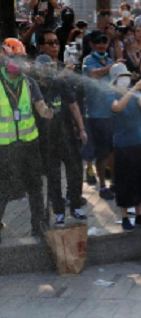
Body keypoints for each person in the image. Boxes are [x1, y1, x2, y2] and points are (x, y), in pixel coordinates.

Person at [0, 38, 52, 243]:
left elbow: (40, 107)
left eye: (21, 58)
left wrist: (48, 112)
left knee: (35, 186)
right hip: (4, 147)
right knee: (3, 189)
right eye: (15, 58)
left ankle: (38, 226)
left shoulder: (30, 83)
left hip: (29, 144)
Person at [32, 53, 88, 226]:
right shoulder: (33, 87)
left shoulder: (60, 83)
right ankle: (58, 212)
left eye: (50, 67)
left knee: (75, 170)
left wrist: (81, 129)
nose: (47, 70)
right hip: (46, 140)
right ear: (37, 70)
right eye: (44, 68)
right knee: (53, 176)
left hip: (67, 135)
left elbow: (73, 106)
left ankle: (76, 206)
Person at [109, 64, 141, 232]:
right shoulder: (111, 95)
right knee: (123, 183)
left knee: (140, 180)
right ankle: (125, 217)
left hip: (138, 143)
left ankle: (139, 215)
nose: (125, 79)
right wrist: (134, 89)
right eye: (122, 76)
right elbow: (117, 107)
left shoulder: (136, 95)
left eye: (126, 76)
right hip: (122, 146)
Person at [83, 30, 118, 201]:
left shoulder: (110, 61)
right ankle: (102, 186)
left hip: (113, 113)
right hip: (97, 115)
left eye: (104, 42)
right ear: (92, 45)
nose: (102, 45)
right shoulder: (88, 61)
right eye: (98, 42)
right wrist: (112, 67)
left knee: (113, 151)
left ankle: (114, 183)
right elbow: (94, 74)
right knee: (102, 154)